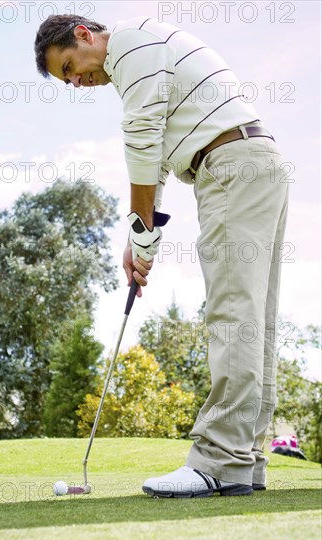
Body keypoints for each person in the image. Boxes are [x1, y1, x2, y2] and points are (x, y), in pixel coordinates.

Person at [34, 14, 289, 498]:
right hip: (254, 162)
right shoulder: (150, 47)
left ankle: (219, 459)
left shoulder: (128, 43)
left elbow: (142, 134)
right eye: (66, 79)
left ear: (84, 35)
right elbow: (160, 158)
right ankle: (246, 459)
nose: (76, 82)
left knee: (234, 312)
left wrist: (142, 226)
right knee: (256, 322)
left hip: (231, 167)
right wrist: (140, 236)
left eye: (69, 66)